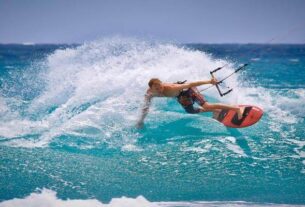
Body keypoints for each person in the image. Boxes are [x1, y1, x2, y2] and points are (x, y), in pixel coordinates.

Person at [136, 78, 245, 128]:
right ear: (151, 88)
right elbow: (146, 107)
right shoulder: (149, 93)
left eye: (160, 86)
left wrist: (209, 81)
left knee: (206, 105)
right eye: (156, 88)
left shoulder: (171, 88)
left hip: (188, 89)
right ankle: (217, 110)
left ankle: (236, 109)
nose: (160, 89)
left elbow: (191, 83)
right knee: (191, 111)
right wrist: (141, 121)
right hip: (180, 95)